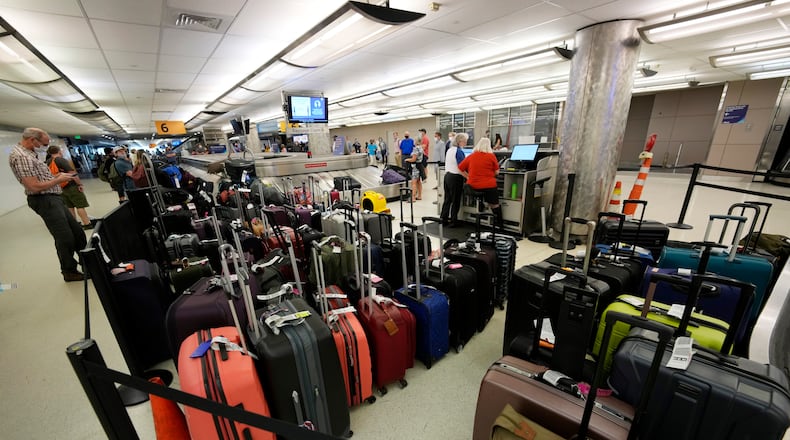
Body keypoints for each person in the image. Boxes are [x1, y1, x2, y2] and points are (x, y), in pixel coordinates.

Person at [9, 128, 87, 282]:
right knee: (65, 238)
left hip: (54, 198)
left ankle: (88, 264)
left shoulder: (30, 154)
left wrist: (56, 176)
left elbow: (40, 178)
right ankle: (69, 271)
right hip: (44, 200)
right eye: (44, 144)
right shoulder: (22, 157)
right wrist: (58, 180)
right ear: (33, 140)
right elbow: (33, 186)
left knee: (77, 233)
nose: (45, 147)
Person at [458, 136, 503, 228]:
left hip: (473, 187)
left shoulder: (471, 156)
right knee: (495, 205)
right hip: (489, 186)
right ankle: (499, 224)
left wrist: (468, 177)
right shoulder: (491, 156)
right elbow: (497, 172)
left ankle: (476, 213)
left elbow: (460, 168)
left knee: (480, 195)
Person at [46, 146, 95, 230]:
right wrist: (79, 184)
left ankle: (75, 225)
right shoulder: (61, 160)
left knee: (69, 206)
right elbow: (72, 173)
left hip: (60, 187)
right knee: (80, 205)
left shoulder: (48, 162)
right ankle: (87, 223)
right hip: (71, 185)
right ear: (59, 151)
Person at [440, 132, 468, 227]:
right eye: (464, 141)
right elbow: (461, 167)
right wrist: (468, 177)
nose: (465, 143)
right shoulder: (459, 152)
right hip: (455, 178)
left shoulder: (450, 150)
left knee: (447, 199)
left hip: (447, 176)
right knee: (455, 200)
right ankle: (453, 221)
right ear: (460, 141)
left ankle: (443, 219)